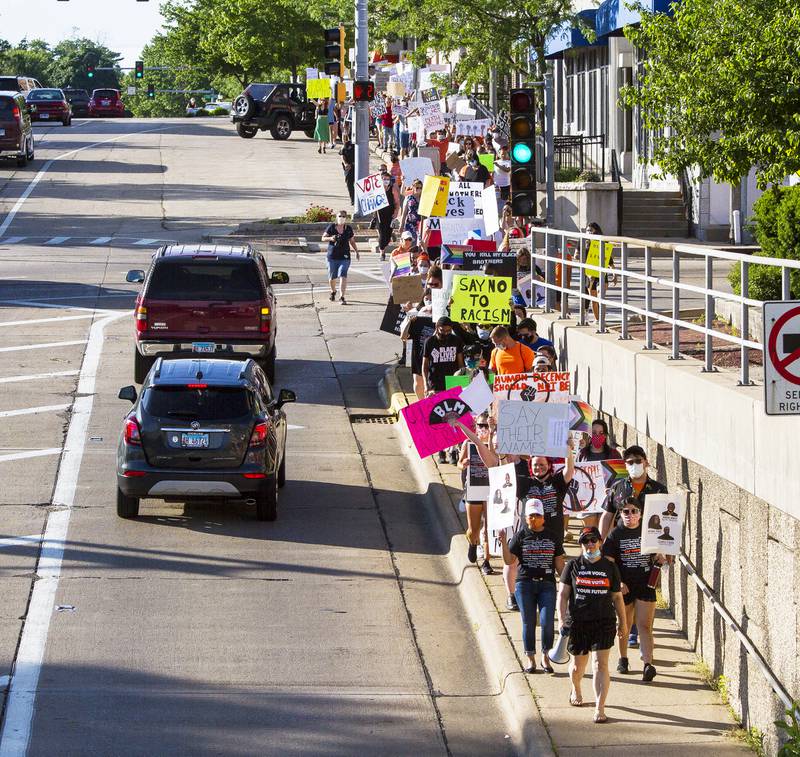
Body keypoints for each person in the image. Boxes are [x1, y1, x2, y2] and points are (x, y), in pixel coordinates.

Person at [599, 444, 666, 650]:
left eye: (638, 461)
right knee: (624, 587)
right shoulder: (618, 488)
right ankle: (630, 632)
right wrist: (602, 542)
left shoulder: (658, 490)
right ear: (625, 465)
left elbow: (668, 519)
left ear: (646, 462)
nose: (635, 465)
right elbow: (608, 514)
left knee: (646, 589)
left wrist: (665, 550)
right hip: (623, 547)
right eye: (630, 462)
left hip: (649, 550)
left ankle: (639, 630)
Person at [558, 526, 626, 723]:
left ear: (600, 542)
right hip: (578, 622)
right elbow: (562, 596)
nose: (590, 544)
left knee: (600, 664)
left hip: (604, 621)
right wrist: (562, 620)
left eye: (593, 540)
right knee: (578, 667)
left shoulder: (610, 567)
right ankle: (576, 688)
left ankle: (600, 707)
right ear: (581, 544)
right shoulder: (572, 566)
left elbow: (617, 598)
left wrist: (623, 623)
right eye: (585, 540)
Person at [500, 498, 565, 674]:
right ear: (526, 518)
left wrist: (569, 582)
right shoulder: (521, 535)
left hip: (547, 584)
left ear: (543, 517)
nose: (534, 519)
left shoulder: (552, 536)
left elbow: (559, 564)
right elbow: (509, 560)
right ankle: (530, 658)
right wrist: (504, 543)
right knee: (528, 622)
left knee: (546, 621)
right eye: (531, 516)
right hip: (525, 584)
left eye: (537, 515)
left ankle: (545, 656)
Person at [602, 496, 664, 681]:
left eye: (634, 511)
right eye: (626, 512)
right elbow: (609, 565)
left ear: (640, 513)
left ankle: (647, 664)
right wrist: (618, 583)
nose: (630, 515)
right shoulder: (615, 535)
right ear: (620, 514)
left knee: (645, 625)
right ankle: (623, 658)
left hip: (645, 584)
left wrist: (660, 559)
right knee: (625, 624)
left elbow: (657, 557)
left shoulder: (649, 532)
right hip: (625, 586)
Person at [458, 411, 492, 574]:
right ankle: (472, 542)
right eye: (481, 425)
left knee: (488, 528)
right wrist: (463, 463)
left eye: (487, 425)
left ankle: (486, 560)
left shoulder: (494, 444)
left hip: (492, 489)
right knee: (474, 529)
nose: (484, 429)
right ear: (475, 426)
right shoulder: (468, 444)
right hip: (474, 487)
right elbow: (459, 463)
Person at [526, 439, 575, 539]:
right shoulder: (525, 483)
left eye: (542, 464)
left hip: (554, 535)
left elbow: (569, 469)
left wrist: (568, 449)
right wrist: (502, 456)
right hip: (530, 537)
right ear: (530, 466)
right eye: (535, 465)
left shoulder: (557, 481)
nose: (538, 467)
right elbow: (505, 473)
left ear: (549, 465)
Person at [321, 211, 359, 304]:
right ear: (336, 217)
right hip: (332, 256)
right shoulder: (331, 227)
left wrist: (356, 251)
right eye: (340, 216)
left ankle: (342, 297)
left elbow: (352, 241)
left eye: (343, 216)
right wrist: (331, 238)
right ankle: (333, 291)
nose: (341, 217)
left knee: (343, 274)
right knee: (332, 278)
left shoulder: (348, 229)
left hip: (345, 256)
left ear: (346, 218)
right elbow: (323, 238)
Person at [584, 222, 617, 322]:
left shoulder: (603, 243)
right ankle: (597, 320)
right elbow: (582, 261)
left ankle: (602, 320)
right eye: (588, 230)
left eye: (591, 230)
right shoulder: (585, 244)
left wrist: (614, 274)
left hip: (602, 274)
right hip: (590, 275)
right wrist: (588, 274)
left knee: (601, 297)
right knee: (593, 299)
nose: (589, 233)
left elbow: (610, 261)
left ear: (597, 231)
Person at [375, 167, 397, 258]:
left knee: (387, 235)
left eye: (387, 179)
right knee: (382, 233)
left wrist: (396, 213)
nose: (386, 181)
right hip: (379, 214)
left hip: (390, 214)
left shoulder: (392, 189)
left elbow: (397, 202)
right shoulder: (377, 190)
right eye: (384, 179)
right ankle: (382, 252)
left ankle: (389, 237)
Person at [340, 138, 355, 204]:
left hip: (359, 167)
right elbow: (342, 154)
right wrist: (345, 163)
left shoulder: (362, 143)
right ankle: (353, 199)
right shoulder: (347, 144)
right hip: (349, 167)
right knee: (349, 184)